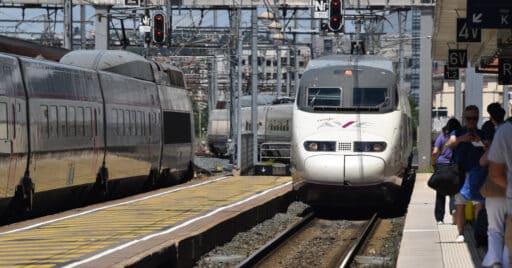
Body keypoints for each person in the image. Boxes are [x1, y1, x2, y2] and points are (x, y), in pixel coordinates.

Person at [446, 105, 486, 243]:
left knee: (479, 205)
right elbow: (449, 144)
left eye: (474, 118)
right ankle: (460, 233)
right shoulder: (457, 132)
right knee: (460, 204)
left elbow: (490, 148)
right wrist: (462, 139)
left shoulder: (482, 133)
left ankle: (478, 232)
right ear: (464, 118)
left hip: (478, 174)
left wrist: (479, 141)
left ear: (478, 118)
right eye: (469, 118)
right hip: (461, 173)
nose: (472, 122)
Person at [480, 103, 508, 268]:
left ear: (491, 118)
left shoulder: (499, 135)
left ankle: (496, 261)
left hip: (497, 190)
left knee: (496, 229)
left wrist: (487, 149)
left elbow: (483, 161)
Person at [488, 109, 512, 266]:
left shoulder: (504, 132)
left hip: (506, 195)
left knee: (497, 230)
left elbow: (494, 172)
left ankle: (496, 260)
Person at [431, 118, 461, 224]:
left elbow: (435, 152)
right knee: (454, 189)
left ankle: (439, 219)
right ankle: (453, 209)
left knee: (440, 192)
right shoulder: (459, 137)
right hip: (454, 165)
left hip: (442, 165)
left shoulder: (442, 136)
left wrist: (434, 164)